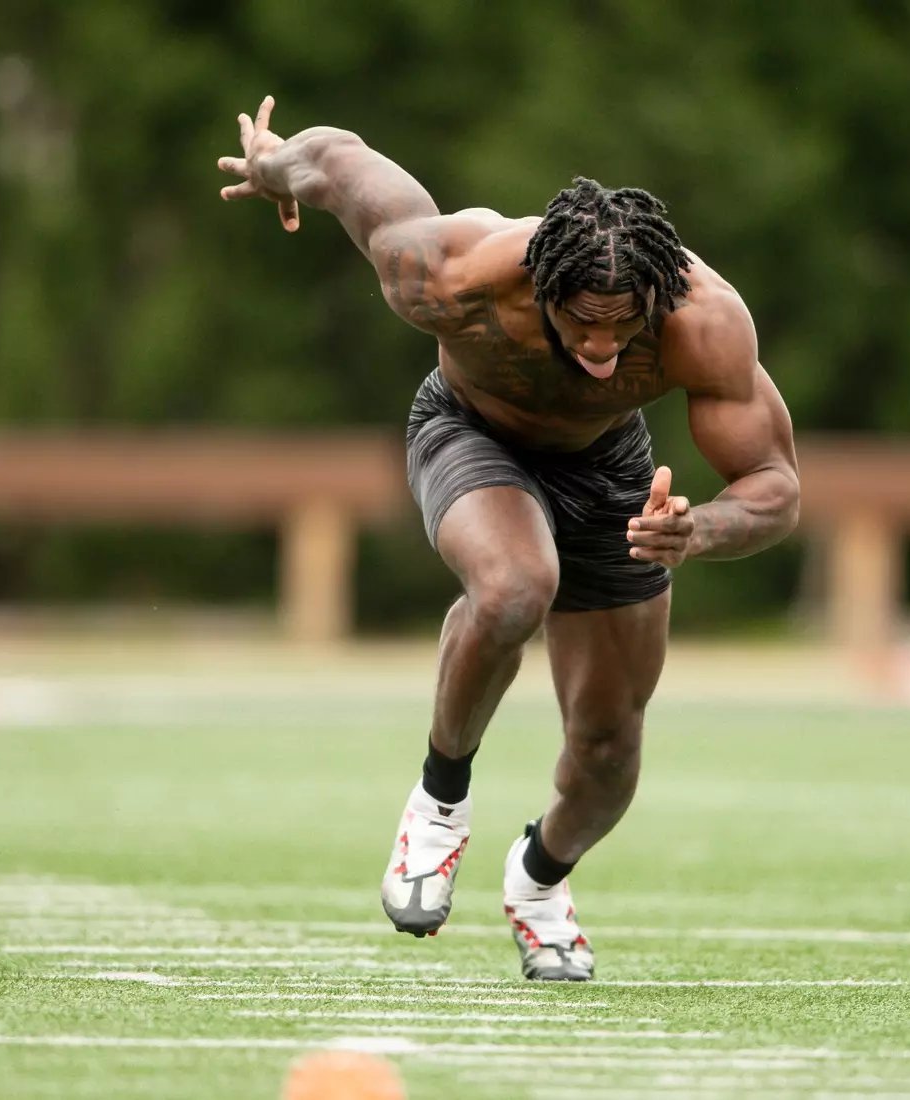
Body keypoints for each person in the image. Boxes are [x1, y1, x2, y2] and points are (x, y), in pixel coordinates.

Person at [219, 97, 800, 981]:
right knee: (516, 586)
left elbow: (777, 489)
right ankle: (440, 802)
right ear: (541, 289)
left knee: (608, 755)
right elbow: (339, 161)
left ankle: (537, 880)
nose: (605, 347)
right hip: (471, 431)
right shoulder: (452, 271)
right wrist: (271, 167)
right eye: (582, 322)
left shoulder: (704, 321)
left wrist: (700, 529)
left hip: (610, 471)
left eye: (625, 322)